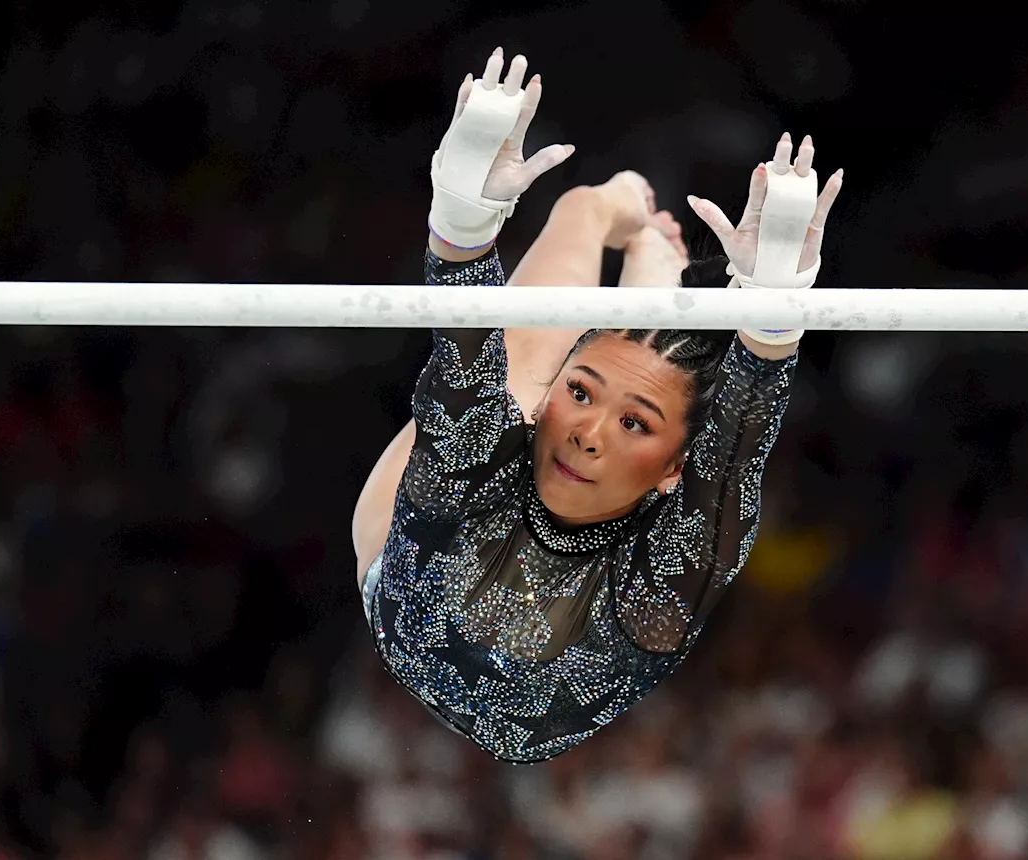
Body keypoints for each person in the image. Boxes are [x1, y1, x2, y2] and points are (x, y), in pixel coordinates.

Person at [352, 48, 844, 762]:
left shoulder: (672, 563)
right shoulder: (479, 461)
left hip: (401, 576)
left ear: (678, 467)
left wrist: (772, 322)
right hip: (429, 542)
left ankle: (647, 260)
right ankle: (615, 218)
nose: (586, 433)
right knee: (515, 374)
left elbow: (736, 438)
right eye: (581, 395)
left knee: (527, 376)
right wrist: (462, 213)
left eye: (634, 425)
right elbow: (463, 340)